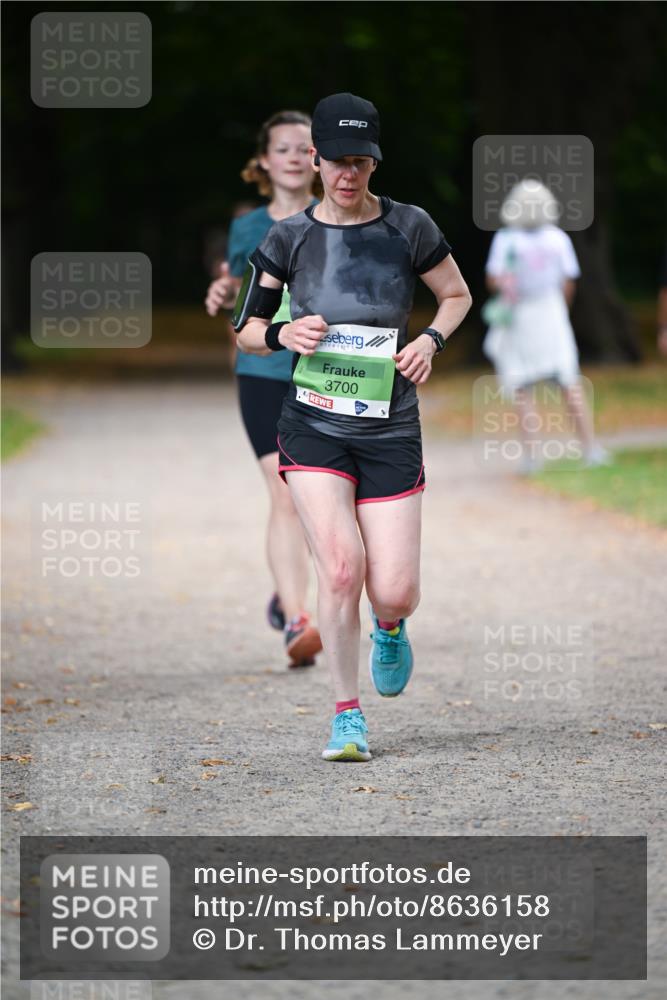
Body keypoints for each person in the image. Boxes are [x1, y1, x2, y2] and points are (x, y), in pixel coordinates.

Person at [235, 93, 472, 761]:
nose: (348, 174)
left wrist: (428, 340)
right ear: (315, 159)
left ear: (374, 162)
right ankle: (346, 717)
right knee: (340, 569)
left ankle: (389, 626)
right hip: (312, 423)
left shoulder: (408, 226)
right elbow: (248, 329)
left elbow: (455, 295)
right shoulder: (287, 238)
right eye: (337, 161)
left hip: (390, 426)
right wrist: (282, 333)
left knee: (392, 588)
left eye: (360, 162)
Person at [205, 111, 322, 667]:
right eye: (283, 148)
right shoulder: (247, 227)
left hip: (326, 372)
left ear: (319, 159)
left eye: (305, 147)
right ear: (264, 161)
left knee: (317, 496)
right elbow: (241, 288)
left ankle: (288, 587)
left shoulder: (338, 217)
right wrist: (223, 291)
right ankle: (298, 619)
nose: (294, 157)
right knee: (284, 491)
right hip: (262, 374)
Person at [483, 179, 610, 472]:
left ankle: (532, 456)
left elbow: (493, 279)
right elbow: (568, 282)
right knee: (569, 380)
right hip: (551, 312)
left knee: (521, 386)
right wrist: (561, 310)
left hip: (520, 314)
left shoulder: (506, 238)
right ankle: (590, 448)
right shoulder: (557, 238)